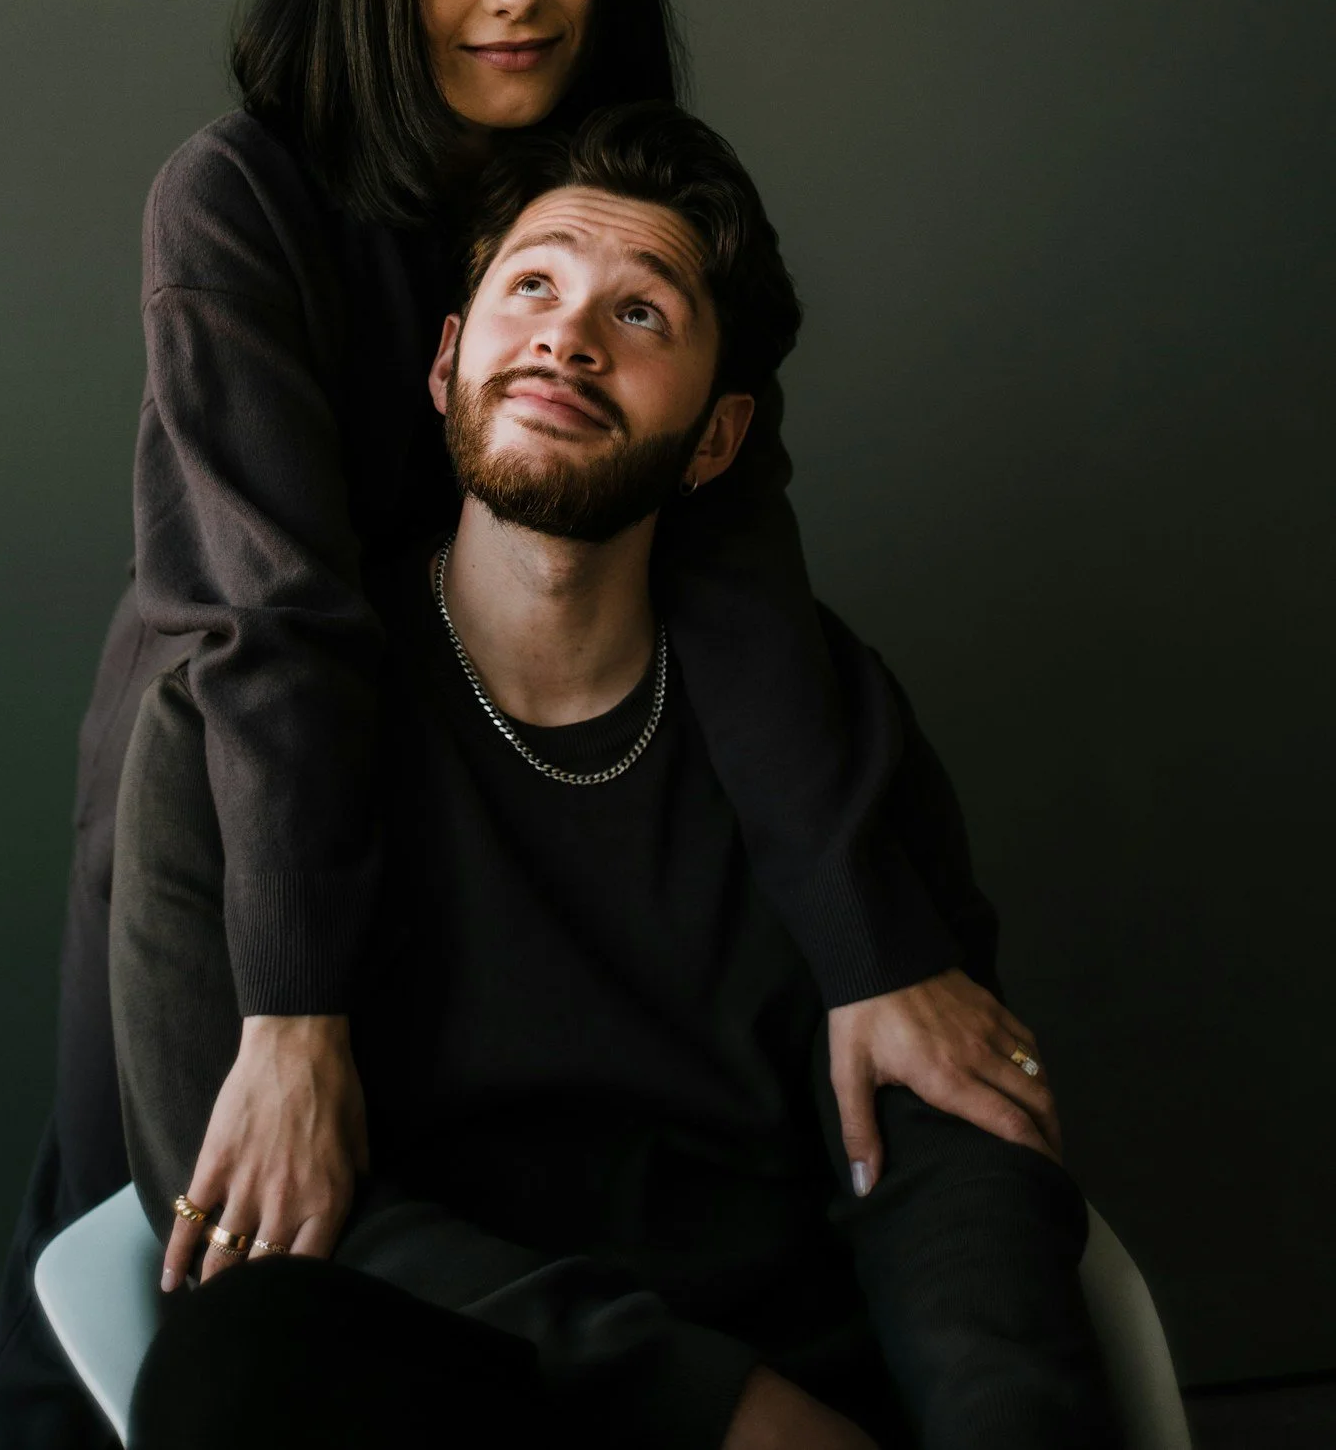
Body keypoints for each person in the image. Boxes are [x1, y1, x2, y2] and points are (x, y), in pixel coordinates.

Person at [0, 0, 1056, 1444]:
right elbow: (273, 619)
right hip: (265, 761)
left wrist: (873, 950)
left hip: (552, 717)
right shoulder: (242, 202)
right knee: (215, 1261)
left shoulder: (643, 200)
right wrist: (296, 1001)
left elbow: (735, 576)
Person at [111, 104, 1114, 1450]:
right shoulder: (231, 737)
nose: (567, 338)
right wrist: (724, 1420)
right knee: (235, 1368)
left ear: (713, 439)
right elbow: (236, 1195)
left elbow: (947, 1148)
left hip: (816, 1373)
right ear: (446, 360)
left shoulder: (816, 719)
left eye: (640, 315)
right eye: (531, 285)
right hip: (487, 1385)